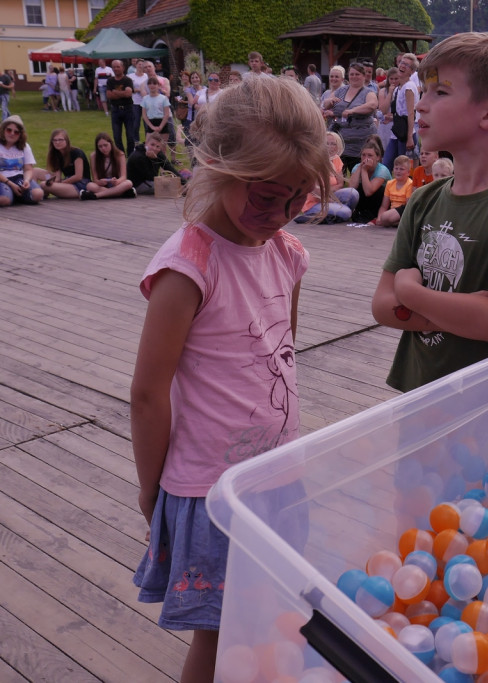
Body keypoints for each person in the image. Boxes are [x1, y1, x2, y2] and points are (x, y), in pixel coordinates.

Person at [130, 74, 326, 683]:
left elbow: (280, 351)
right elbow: (146, 390)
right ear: (216, 165)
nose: (279, 214)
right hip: (212, 492)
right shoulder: (188, 266)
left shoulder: (286, 253)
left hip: (277, 475)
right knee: (219, 634)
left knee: (272, 616)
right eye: (266, 195)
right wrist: (151, 488)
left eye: (297, 199)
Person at [371, 32, 488, 392]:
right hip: (418, 397)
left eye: (440, 93)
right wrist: (466, 311)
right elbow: (380, 305)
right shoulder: (423, 201)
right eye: (423, 92)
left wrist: (410, 292)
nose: (420, 105)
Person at [323, 62, 379, 170]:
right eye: (352, 74)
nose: (354, 77)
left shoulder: (368, 92)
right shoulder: (341, 90)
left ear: (363, 76)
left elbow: (372, 105)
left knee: (358, 173)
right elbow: (326, 104)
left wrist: (352, 110)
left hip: (360, 142)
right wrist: (330, 101)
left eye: (357, 74)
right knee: (338, 172)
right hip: (341, 141)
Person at [295, 131, 358, 224]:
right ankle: (311, 216)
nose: (329, 147)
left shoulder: (336, 159)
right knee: (346, 212)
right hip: (314, 203)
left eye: (333, 144)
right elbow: (315, 191)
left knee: (353, 193)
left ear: (337, 147)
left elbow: (340, 184)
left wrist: (327, 191)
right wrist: (331, 201)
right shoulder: (315, 161)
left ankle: (330, 216)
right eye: (327, 144)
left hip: (329, 197)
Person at [0, 115, 44, 206]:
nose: (12, 133)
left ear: (20, 134)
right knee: (4, 200)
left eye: (16, 132)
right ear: (3, 130)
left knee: (38, 194)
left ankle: (14, 196)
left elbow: (28, 169)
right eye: (9, 130)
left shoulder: (24, 146)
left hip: (18, 177)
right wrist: (10, 184)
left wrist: (26, 180)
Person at [385, 53, 419, 169]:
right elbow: (399, 111)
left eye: (407, 65)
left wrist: (409, 138)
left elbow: (410, 114)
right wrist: (390, 118)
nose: (403, 66)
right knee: (386, 164)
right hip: (397, 131)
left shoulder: (409, 87)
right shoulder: (398, 88)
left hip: (405, 133)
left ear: (412, 71)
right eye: (402, 63)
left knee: (403, 168)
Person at [348, 136, 391, 223]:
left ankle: (373, 217)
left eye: (370, 155)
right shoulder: (357, 167)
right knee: (357, 189)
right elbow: (351, 189)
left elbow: (369, 191)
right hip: (365, 203)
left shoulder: (382, 170)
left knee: (380, 190)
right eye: (363, 155)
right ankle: (359, 214)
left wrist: (364, 170)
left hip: (380, 202)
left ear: (378, 157)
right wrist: (360, 167)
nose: (366, 158)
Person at [81, 132, 136, 199]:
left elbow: (123, 176)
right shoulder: (94, 156)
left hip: (116, 184)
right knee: (90, 185)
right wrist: (100, 182)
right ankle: (120, 193)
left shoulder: (120, 154)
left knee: (128, 183)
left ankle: (96, 195)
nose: (103, 148)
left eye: (105, 145)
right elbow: (95, 179)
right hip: (103, 185)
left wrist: (117, 181)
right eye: (100, 146)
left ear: (111, 144)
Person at [41, 128, 90, 199]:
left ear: (67, 141)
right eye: (54, 140)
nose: (57, 142)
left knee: (43, 184)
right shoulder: (57, 154)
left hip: (80, 185)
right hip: (66, 182)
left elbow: (78, 176)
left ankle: (42, 193)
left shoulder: (77, 153)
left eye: (60, 140)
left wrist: (61, 183)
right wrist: (53, 181)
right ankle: (32, 194)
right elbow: (57, 177)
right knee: (35, 171)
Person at [373, 155, 413, 227]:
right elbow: (384, 206)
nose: (398, 171)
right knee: (381, 219)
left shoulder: (410, 184)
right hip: (391, 213)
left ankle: (400, 224)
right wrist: (379, 218)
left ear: (408, 172)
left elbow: (408, 207)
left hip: (403, 212)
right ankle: (395, 223)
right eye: (396, 168)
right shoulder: (390, 183)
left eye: (401, 169)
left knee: (385, 217)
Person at [107, 60, 136, 153]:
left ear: (123, 68)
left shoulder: (127, 80)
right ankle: (120, 155)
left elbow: (128, 94)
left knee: (130, 135)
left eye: (118, 66)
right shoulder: (110, 80)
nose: (115, 69)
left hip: (128, 109)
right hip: (115, 110)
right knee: (116, 136)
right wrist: (122, 93)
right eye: (114, 67)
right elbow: (109, 95)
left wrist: (115, 92)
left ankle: (131, 155)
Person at [141, 77, 172, 145]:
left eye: (154, 84)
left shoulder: (163, 98)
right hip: (151, 123)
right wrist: (152, 127)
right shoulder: (145, 99)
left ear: (158, 86)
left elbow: (166, 114)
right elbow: (144, 115)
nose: (152, 86)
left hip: (162, 123)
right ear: (148, 86)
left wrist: (160, 126)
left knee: (162, 147)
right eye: (150, 84)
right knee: (148, 145)